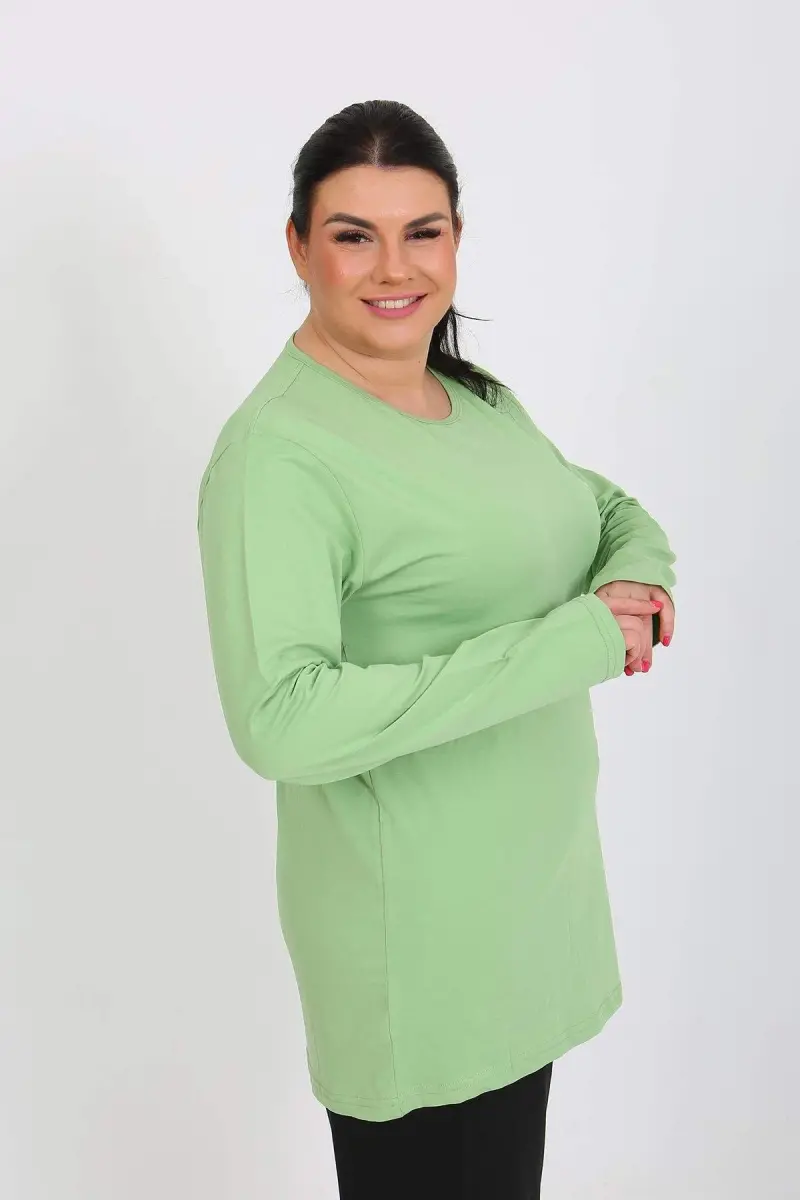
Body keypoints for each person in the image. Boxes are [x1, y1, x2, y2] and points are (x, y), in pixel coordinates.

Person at [196, 99, 677, 1200]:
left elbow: (600, 513)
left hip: (530, 911)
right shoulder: (278, 457)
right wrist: (574, 643)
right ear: (297, 248)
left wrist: (640, 579)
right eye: (353, 235)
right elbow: (280, 719)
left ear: (457, 238)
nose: (393, 267)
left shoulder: (474, 399)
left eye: (422, 231)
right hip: (419, 947)